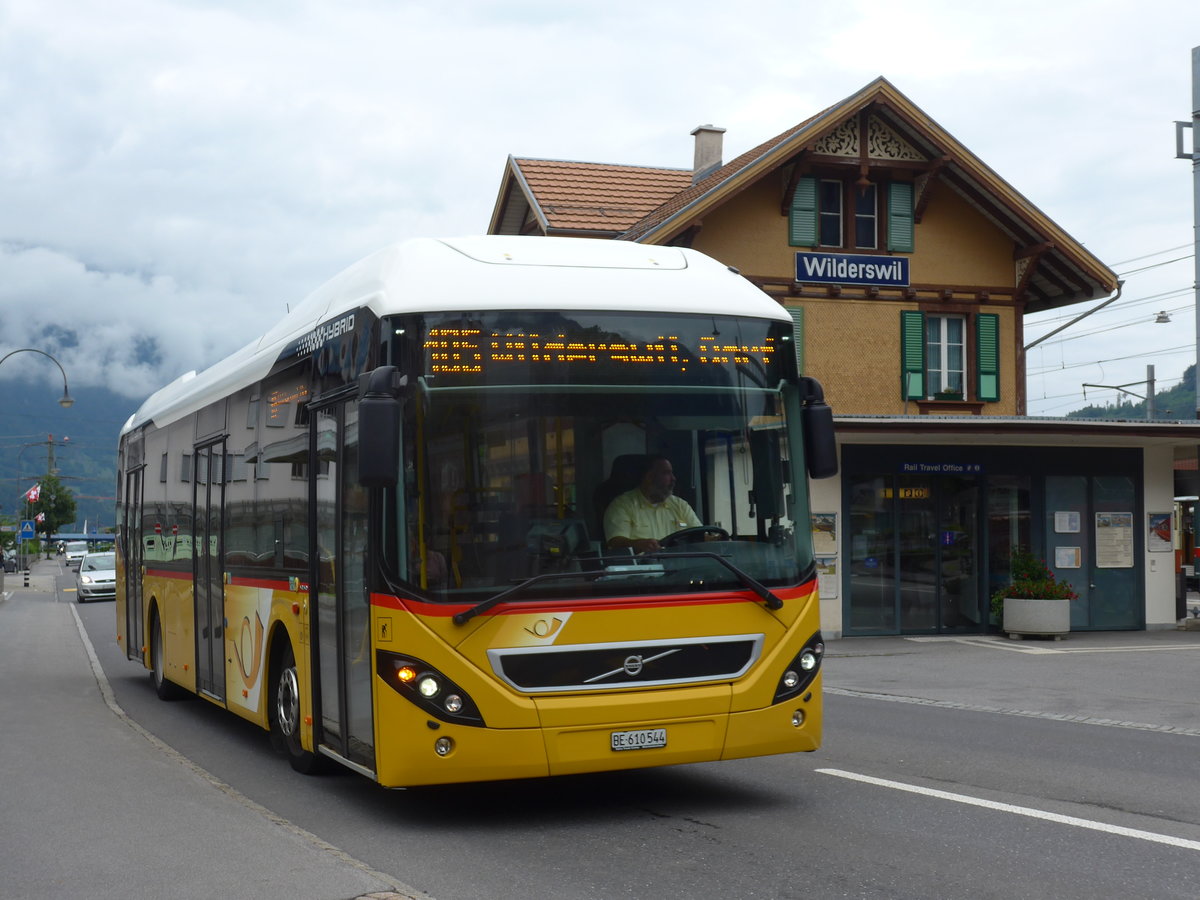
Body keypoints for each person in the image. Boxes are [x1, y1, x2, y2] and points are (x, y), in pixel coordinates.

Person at [603, 455, 702, 554]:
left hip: (680, 565)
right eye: (666, 473)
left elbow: (700, 534)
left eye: (672, 473)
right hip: (643, 568)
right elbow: (615, 543)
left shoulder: (680, 505)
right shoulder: (622, 505)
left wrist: (711, 538)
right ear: (649, 477)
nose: (673, 478)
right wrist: (639, 545)